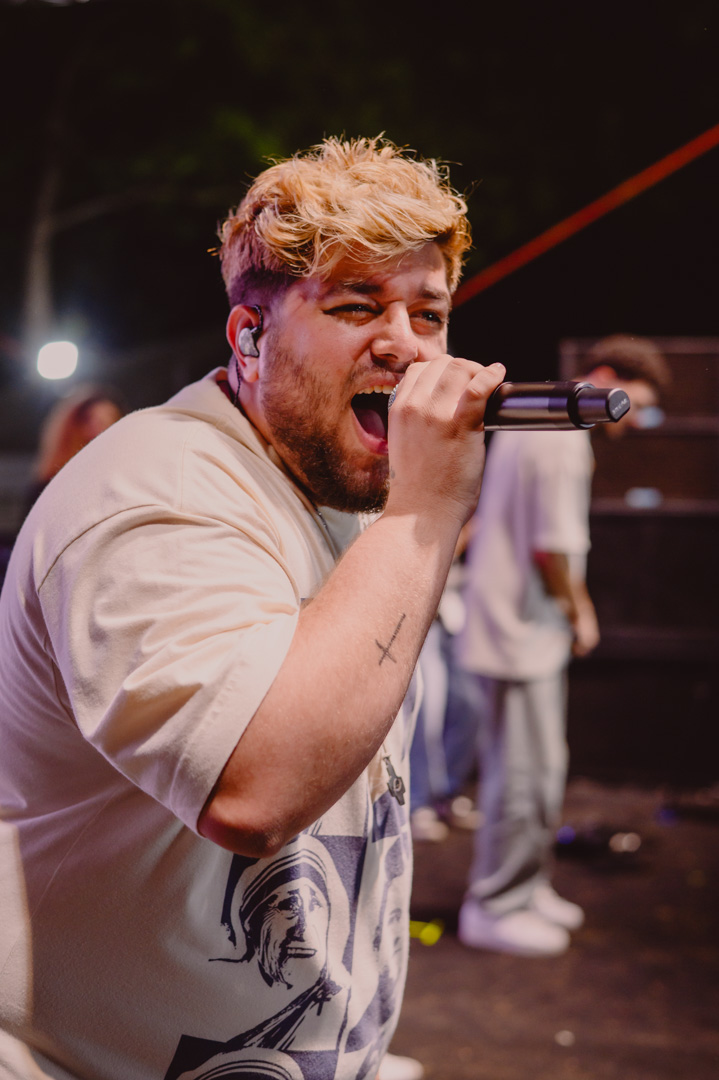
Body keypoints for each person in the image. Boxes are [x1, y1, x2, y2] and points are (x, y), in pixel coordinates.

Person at [0, 136, 505, 1080]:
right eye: (355, 305)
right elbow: (254, 792)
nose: (405, 344)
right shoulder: (154, 489)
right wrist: (428, 510)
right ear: (248, 336)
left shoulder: (345, 494)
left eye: (427, 313)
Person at [455, 334, 671, 957]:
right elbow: (552, 548)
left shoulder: (539, 423)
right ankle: (497, 904)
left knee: (538, 773)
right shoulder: (563, 437)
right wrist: (582, 613)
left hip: (518, 631)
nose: (634, 421)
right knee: (523, 779)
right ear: (604, 376)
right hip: (519, 635)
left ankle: (526, 888)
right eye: (637, 404)